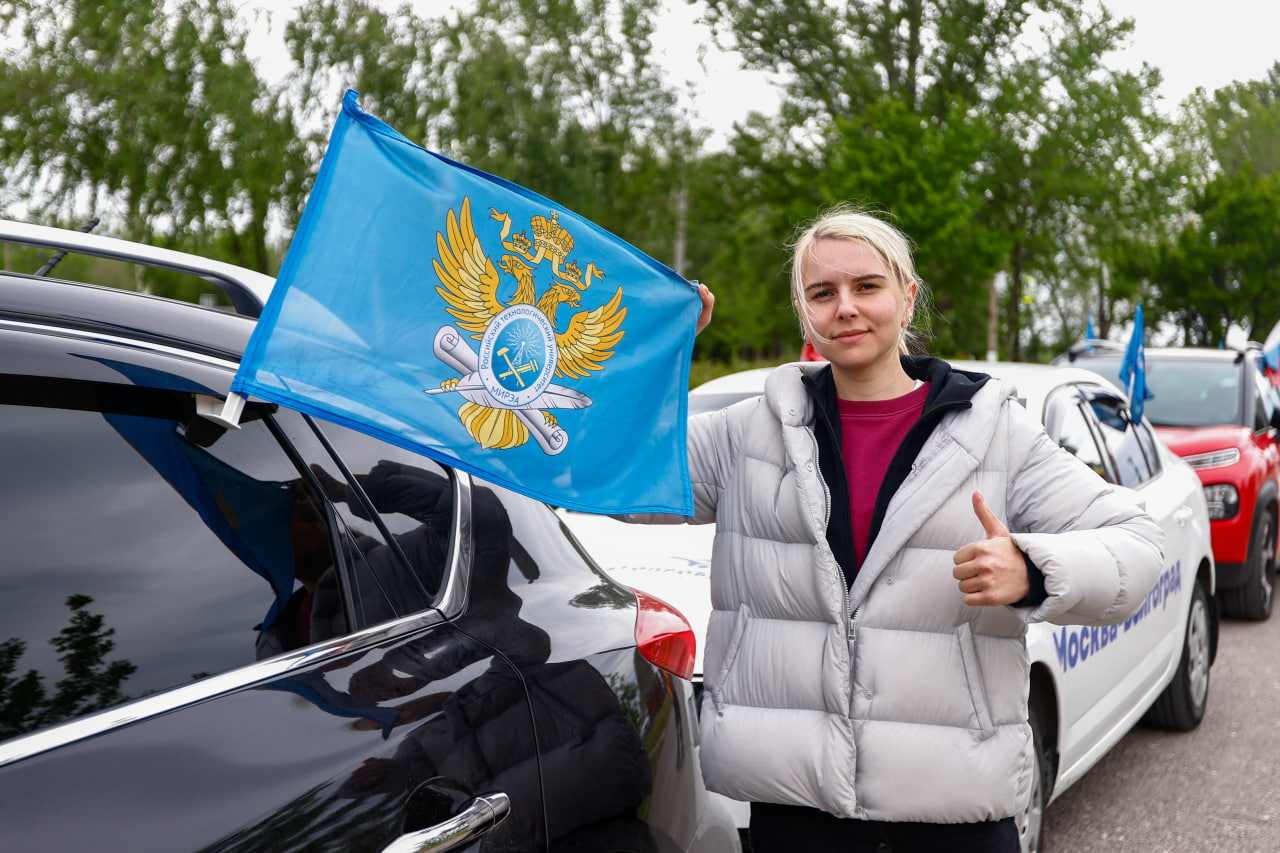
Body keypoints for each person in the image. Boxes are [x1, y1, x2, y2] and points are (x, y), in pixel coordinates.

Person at [679, 206, 1164, 852]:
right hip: (797, 814)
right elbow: (608, 468)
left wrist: (1031, 566)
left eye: (867, 286)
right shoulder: (745, 434)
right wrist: (651, 350)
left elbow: (1140, 547)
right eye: (822, 293)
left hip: (953, 818)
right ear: (803, 314)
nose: (845, 307)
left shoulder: (997, 432)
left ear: (907, 297)